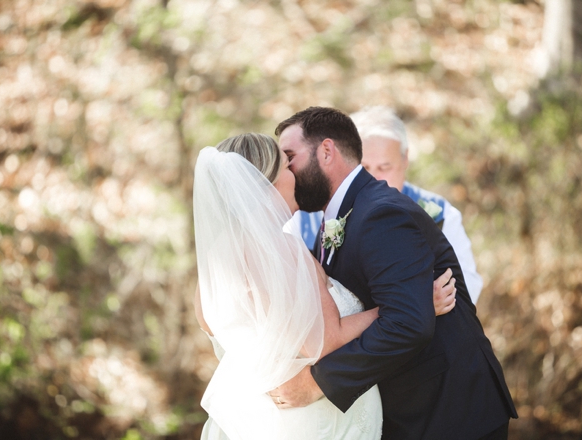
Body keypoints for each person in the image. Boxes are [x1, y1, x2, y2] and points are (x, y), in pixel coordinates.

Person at [270, 107, 517, 439]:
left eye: (290, 157)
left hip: (448, 412)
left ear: (326, 151)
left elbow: (408, 323)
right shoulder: (335, 221)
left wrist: (318, 383)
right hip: (408, 408)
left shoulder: (380, 213)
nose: (287, 171)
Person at [193, 133, 457, 440]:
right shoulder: (283, 251)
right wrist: (415, 302)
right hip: (311, 422)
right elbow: (327, 340)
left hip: (254, 420)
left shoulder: (211, 268)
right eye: (287, 168)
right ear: (268, 183)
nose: (297, 176)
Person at [291, 106, 483, 303]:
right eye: (363, 167)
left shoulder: (440, 213)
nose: (373, 177)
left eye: (384, 167)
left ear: (405, 159)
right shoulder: (308, 218)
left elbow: (467, 286)